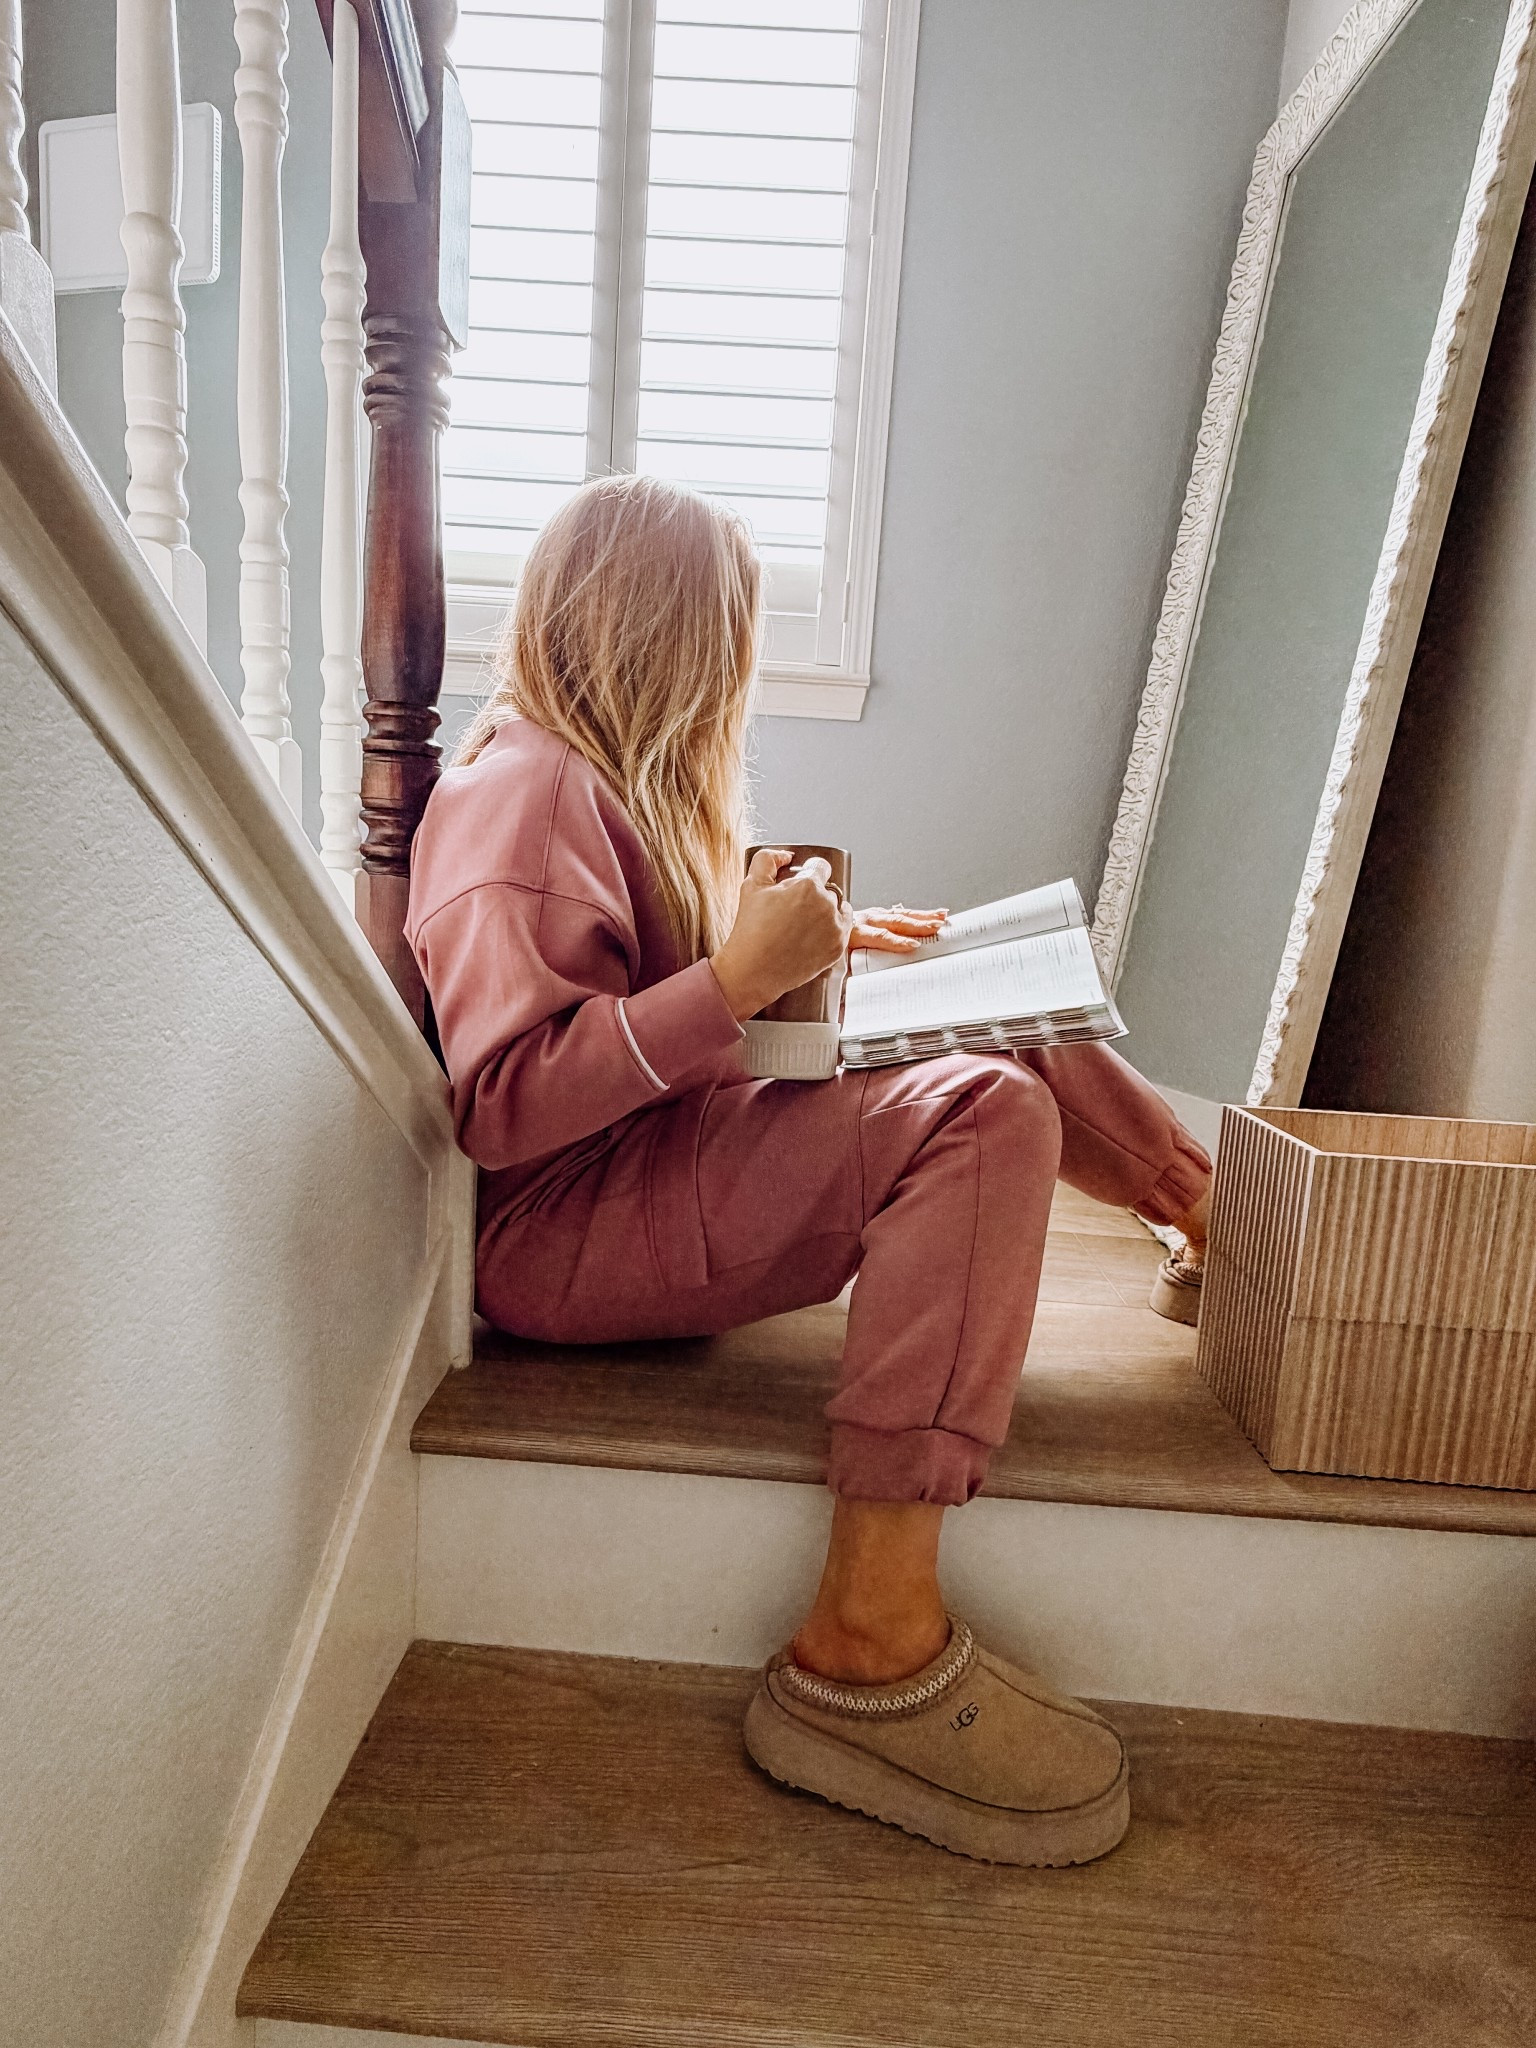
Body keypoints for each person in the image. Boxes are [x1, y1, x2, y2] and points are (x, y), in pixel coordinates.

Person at [406, 474, 1212, 1867]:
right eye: (730, 638)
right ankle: (869, 1635)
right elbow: (503, 1107)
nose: (741, 671)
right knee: (982, 1114)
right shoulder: (520, 803)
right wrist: (736, 979)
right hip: (561, 1232)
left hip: (646, 1157)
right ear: (669, 639)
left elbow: (643, 1002)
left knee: (980, 995)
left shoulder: (586, 779)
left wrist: (805, 954)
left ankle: (1222, 1217)